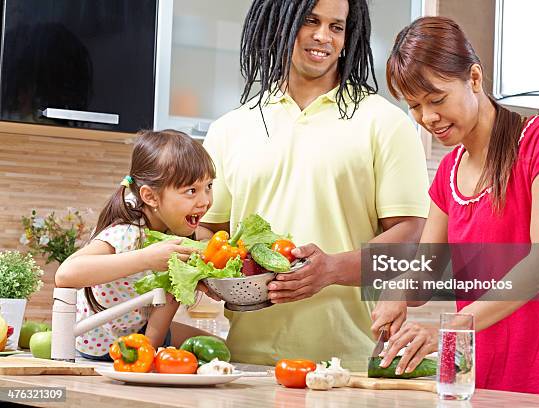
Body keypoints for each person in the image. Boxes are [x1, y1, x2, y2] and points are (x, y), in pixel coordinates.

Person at [371, 17, 539, 400]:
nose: (427, 117)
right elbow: (426, 273)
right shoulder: (448, 173)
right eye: (414, 106)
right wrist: (398, 289)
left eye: (436, 99)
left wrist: (453, 327)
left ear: (475, 79)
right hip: (481, 381)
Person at [199, 0, 430, 370]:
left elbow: (411, 237)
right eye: (310, 21)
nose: (323, 36)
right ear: (280, 24)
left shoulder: (385, 123)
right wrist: (202, 269)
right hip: (245, 363)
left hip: (348, 366)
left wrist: (331, 270)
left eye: (336, 27)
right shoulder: (229, 129)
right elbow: (210, 231)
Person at [55, 129, 217, 361]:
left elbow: (168, 298)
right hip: (99, 342)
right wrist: (148, 258)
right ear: (150, 197)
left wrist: (148, 350)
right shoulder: (127, 232)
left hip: (139, 333)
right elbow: (66, 274)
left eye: (209, 186)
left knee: (220, 349)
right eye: (191, 191)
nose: (205, 201)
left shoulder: (174, 227)